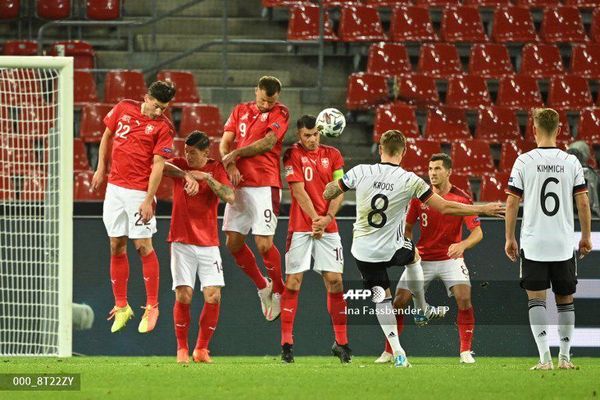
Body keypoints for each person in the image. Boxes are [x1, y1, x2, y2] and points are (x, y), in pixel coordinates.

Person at [323, 130, 504, 368]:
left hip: (363, 251)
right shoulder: (411, 180)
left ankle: (398, 351)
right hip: (392, 248)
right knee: (414, 255)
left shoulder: (360, 171)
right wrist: (483, 208)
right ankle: (422, 308)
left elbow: (330, 192)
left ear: (380, 150)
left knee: (382, 300)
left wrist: (331, 185)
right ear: (404, 152)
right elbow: (446, 207)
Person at [505, 108, 592, 370]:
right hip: (563, 243)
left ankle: (545, 359)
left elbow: (511, 203)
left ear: (533, 129)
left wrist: (509, 237)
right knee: (565, 299)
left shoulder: (523, 161)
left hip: (534, 243)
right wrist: (586, 236)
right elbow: (583, 202)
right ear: (559, 130)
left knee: (537, 300)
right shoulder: (571, 162)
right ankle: (564, 357)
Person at [375, 153, 482, 365]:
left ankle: (465, 351)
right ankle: (389, 351)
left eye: (437, 169)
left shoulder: (462, 199)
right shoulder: (419, 197)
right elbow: (407, 227)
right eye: (430, 168)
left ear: (449, 172)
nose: (432, 173)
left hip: (451, 259)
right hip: (422, 259)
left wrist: (463, 244)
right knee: (398, 302)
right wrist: (409, 247)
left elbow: (478, 232)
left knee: (464, 299)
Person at [91, 81, 176, 334]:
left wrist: (149, 198)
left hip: (139, 191)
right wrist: (100, 168)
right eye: (157, 106)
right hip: (115, 189)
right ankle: (121, 306)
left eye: (164, 108)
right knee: (116, 244)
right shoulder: (123, 108)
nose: (159, 112)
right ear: (147, 98)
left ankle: (152, 306)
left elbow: (159, 165)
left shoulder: (164, 127)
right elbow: (107, 135)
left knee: (142, 245)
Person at [280, 115, 350, 364]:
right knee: (293, 282)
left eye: (315, 134)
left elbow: (339, 189)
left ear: (321, 133)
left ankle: (341, 343)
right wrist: (315, 219)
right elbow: (297, 190)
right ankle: (287, 343)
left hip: (327, 227)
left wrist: (328, 216)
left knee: (335, 282)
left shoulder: (334, 155)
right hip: (301, 226)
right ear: (299, 135)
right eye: (307, 135)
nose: (311, 139)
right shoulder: (292, 155)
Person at [219, 76, 289, 321]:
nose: (266, 105)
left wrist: (236, 154)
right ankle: (263, 286)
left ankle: (280, 290)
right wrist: (230, 167)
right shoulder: (239, 110)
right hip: (239, 184)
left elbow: (269, 143)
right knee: (233, 243)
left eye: (270, 101)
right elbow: (224, 143)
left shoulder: (281, 113)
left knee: (264, 244)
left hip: (264, 184)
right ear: (255, 91)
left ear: (277, 97)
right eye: (262, 99)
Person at [163, 131, 235, 364]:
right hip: (181, 240)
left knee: (213, 295)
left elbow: (230, 196)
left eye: (192, 153)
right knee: (184, 294)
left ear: (206, 153)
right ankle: (181, 349)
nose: (187, 156)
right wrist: (186, 174)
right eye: (186, 151)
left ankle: (201, 349)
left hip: (208, 243)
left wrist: (206, 178)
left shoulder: (216, 169)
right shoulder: (180, 165)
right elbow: (160, 165)